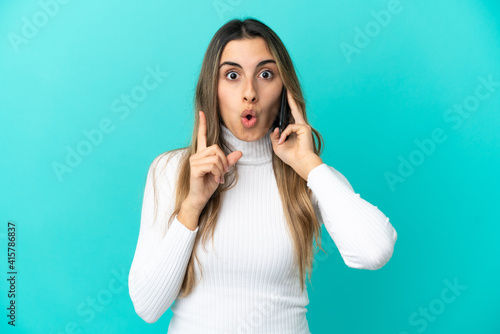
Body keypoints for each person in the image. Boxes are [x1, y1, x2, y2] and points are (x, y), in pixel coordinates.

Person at [128, 18, 398, 333]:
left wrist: (311, 167)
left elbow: (374, 251)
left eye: (265, 74)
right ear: (211, 90)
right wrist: (192, 205)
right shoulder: (172, 170)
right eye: (232, 75)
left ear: (285, 89)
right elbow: (147, 307)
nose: (250, 93)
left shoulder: (308, 174)